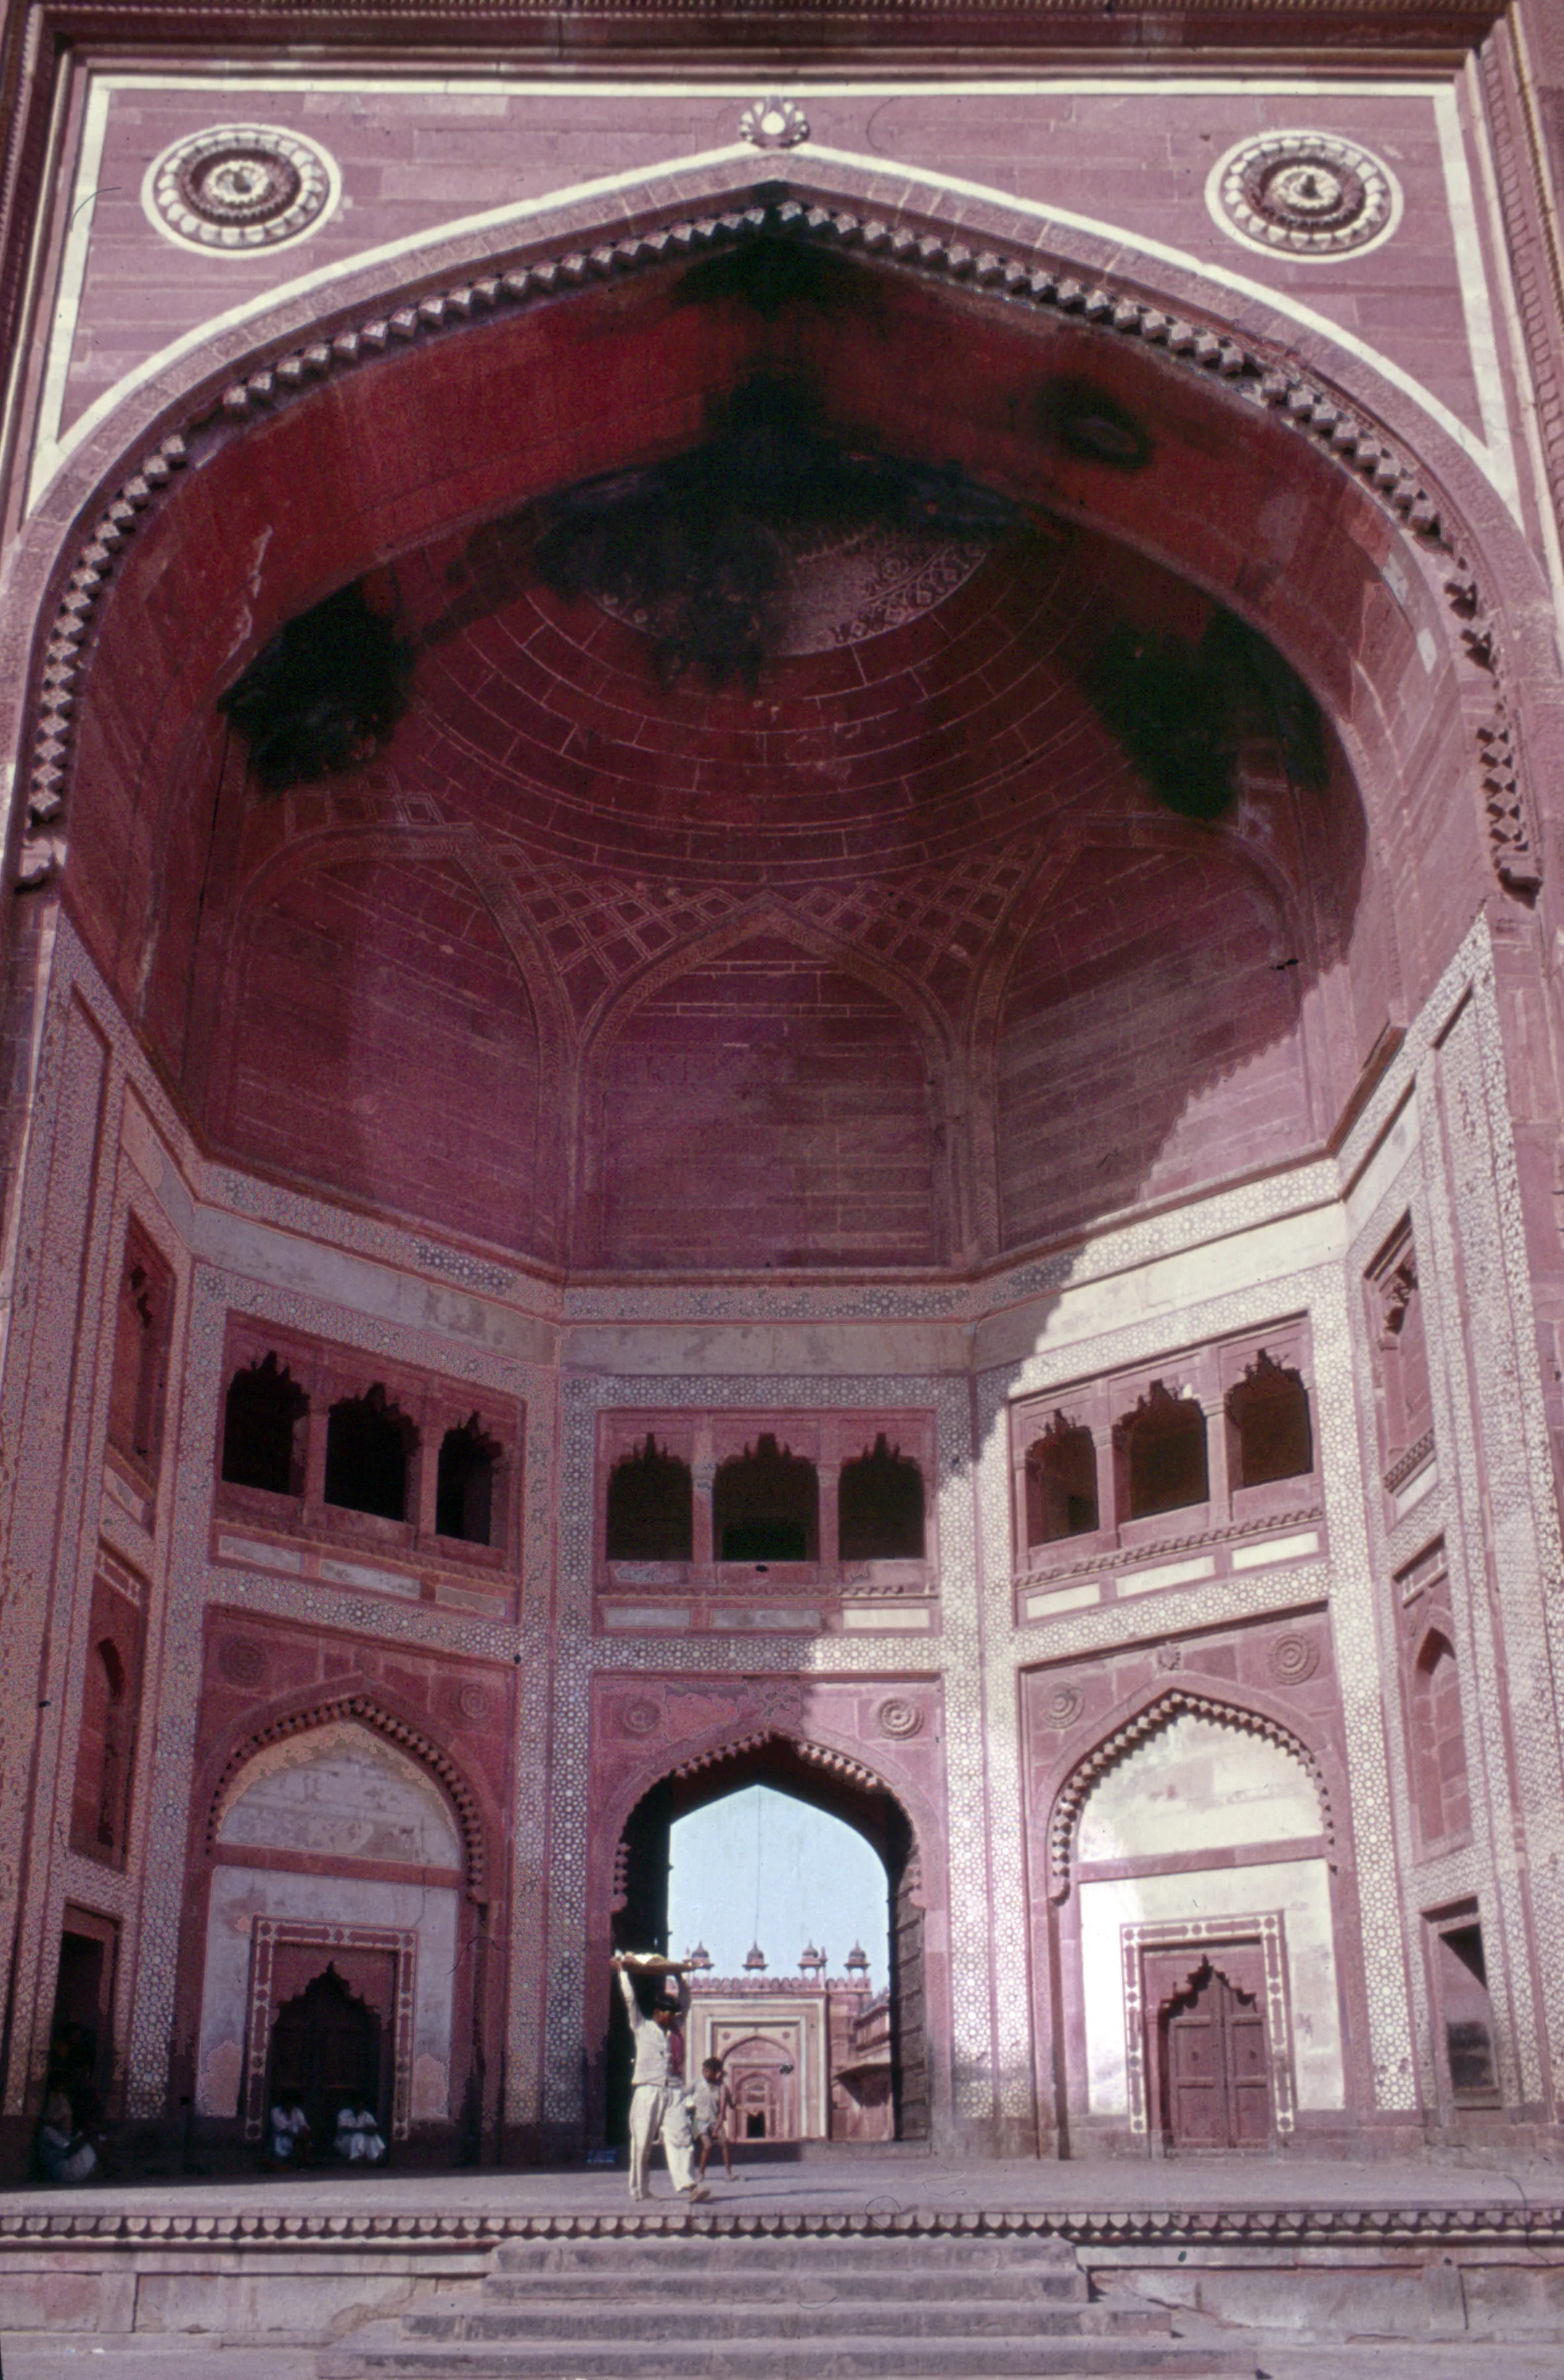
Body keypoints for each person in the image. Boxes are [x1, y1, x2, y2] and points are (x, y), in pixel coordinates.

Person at [613, 1954, 710, 2204]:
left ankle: (690, 2185)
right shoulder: (642, 2027)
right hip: (648, 2090)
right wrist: (623, 1972)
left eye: (674, 2014)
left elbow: (686, 2004)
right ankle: (640, 2191)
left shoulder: (675, 2031)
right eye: (669, 2014)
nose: (674, 2017)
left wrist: (679, 1978)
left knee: (680, 2137)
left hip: (674, 2091)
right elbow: (630, 2000)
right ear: (658, 2012)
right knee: (642, 2141)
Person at [690, 2055, 736, 2184]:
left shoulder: (722, 2088)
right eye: (704, 2070)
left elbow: (732, 2105)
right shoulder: (697, 2084)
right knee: (708, 2145)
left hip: (715, 2120)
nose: (705, 2073)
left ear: (716, 2073)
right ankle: (701, 2173)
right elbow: (685, 2094)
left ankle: (728, 2173)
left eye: (708, 2071)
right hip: (700, 2119)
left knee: (725, 2143)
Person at [36, 2090, 97, 2184]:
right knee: (89, 2148)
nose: (68, 2121)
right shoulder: (48, 2131)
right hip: (59, 2170)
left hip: (65, 2166)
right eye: (66, 2118)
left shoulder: (61, 2132)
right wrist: (86, 2138)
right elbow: (69, 2148)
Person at [267, 2092, 312, 2168]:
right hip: (280, 2139)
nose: (289, 2104)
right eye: (287, 2102)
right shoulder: (275, 2111)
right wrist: (297, 2137)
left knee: (306, 2142)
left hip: (297, 2138)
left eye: (291, 2103)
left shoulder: (297, 2111)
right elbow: (282, 2129)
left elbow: (304, 2125)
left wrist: (304, 2134)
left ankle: (303, 2162)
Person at [335, 2100, 387, 2165]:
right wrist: (363, 2130)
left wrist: (362, 2130)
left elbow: (373, 2129)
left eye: (362, 2105)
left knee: (373, 2136)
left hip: (361, 2141)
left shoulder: (366, 2114)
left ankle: (374, 2157)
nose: (360, 2107)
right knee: (359, 2135)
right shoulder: (344, 2113)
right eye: (358, 2105)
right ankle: (355, 2157)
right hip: (345, 2142)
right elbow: (343, 2130)